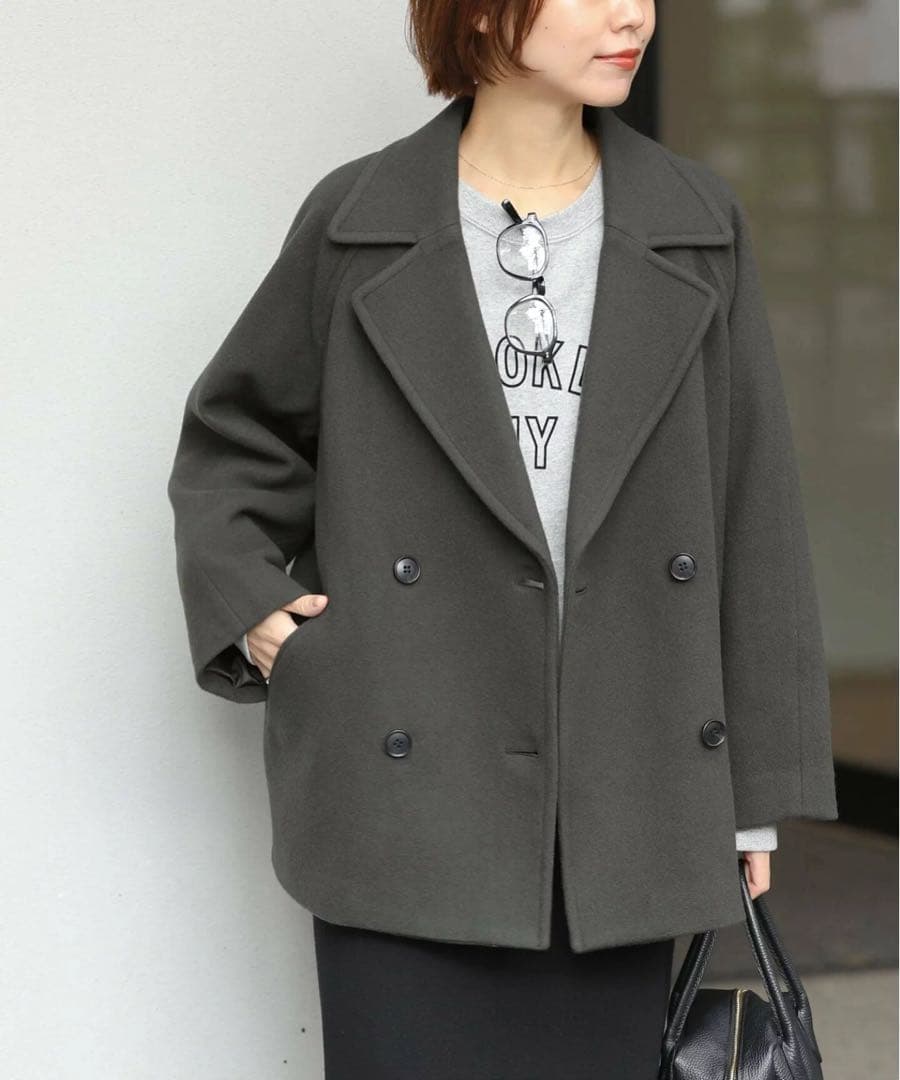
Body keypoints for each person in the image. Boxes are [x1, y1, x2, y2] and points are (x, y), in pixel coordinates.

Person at [168, 1, 839, 1077]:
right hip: (407, 779)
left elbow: (751, 505)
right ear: (483, 9)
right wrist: (260, 615)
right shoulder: (360, 220)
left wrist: (752, 797)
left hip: (628, 778)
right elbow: (236, 439)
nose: (633, 13)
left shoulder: (695, 222)